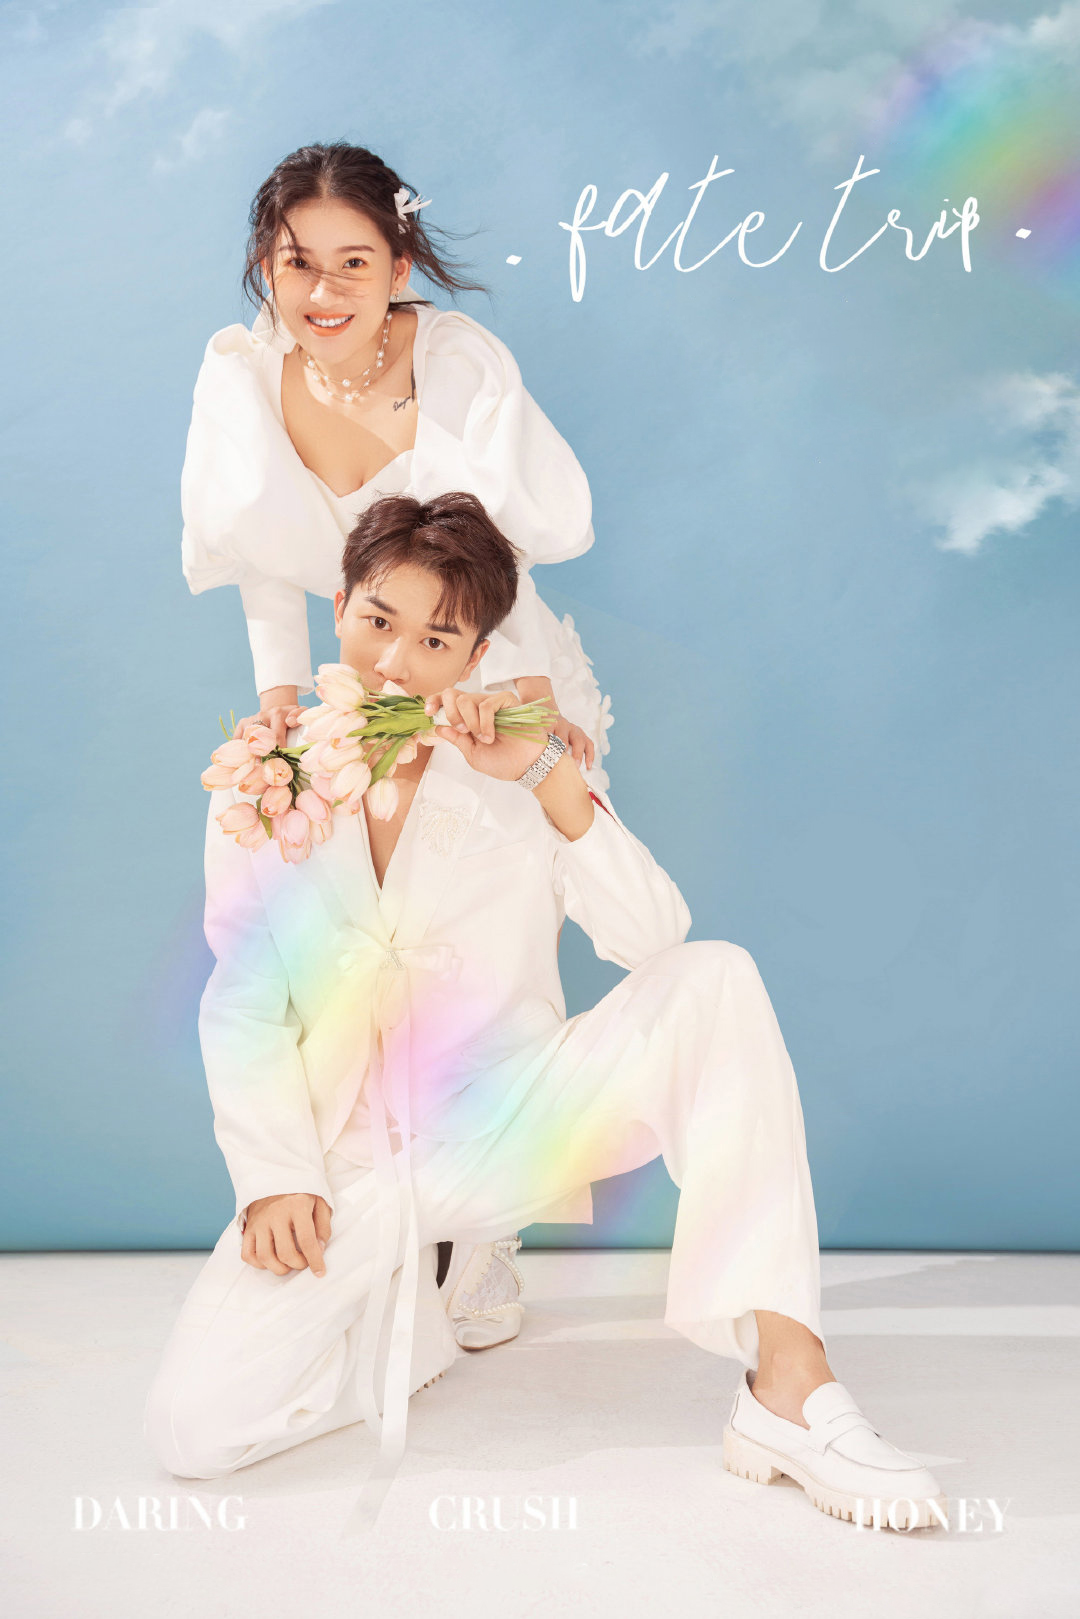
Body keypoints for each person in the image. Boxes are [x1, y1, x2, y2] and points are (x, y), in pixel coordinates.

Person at [145, 491, 947, 1536]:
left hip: (512, 1120)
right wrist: (275, 1174)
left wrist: (547, 778)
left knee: (716, 978)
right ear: (337, 606)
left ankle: (788, 1386)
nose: (398, 662)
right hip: (348, 1163)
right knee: (195, 1429)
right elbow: (244, 996)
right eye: (378, 620)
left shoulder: (521, 760)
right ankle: (423, 1295)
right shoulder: (266, 772)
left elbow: (654, 938)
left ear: (477, 653)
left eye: (438, 640)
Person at [180, 140, 612, 1346]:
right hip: (359, 666)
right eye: (295, 262)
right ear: (265, 264)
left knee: (497, 939)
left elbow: (499, 561)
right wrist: (283, 704)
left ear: (401, 264)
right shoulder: (240, 377)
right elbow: (265, 564)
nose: (322, 291)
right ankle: (366, 1175)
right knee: (366, 935)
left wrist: (523, 711)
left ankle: (492, 1222)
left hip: (491, 651)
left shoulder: (457, 362)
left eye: (353, 263)